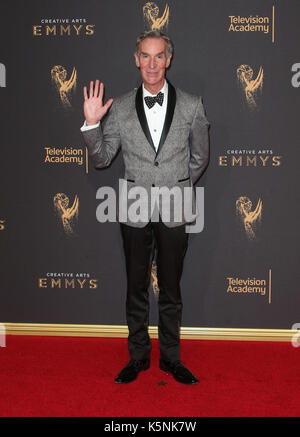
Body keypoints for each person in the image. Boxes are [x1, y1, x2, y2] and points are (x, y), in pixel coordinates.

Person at [81, 30, 209, 384]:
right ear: (135, 59)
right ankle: (137, 357)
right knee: (135, 287)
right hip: (134, 208)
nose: (152, 64)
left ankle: (170, 358)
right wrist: (92, 124)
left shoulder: (192, 104)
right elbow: (103, 159)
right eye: (145, 56)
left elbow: (200, 158)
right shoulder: (120, 107)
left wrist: (177, 187)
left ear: (169, 59)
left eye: (159, 56)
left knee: (171, 288)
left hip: (175, 206)